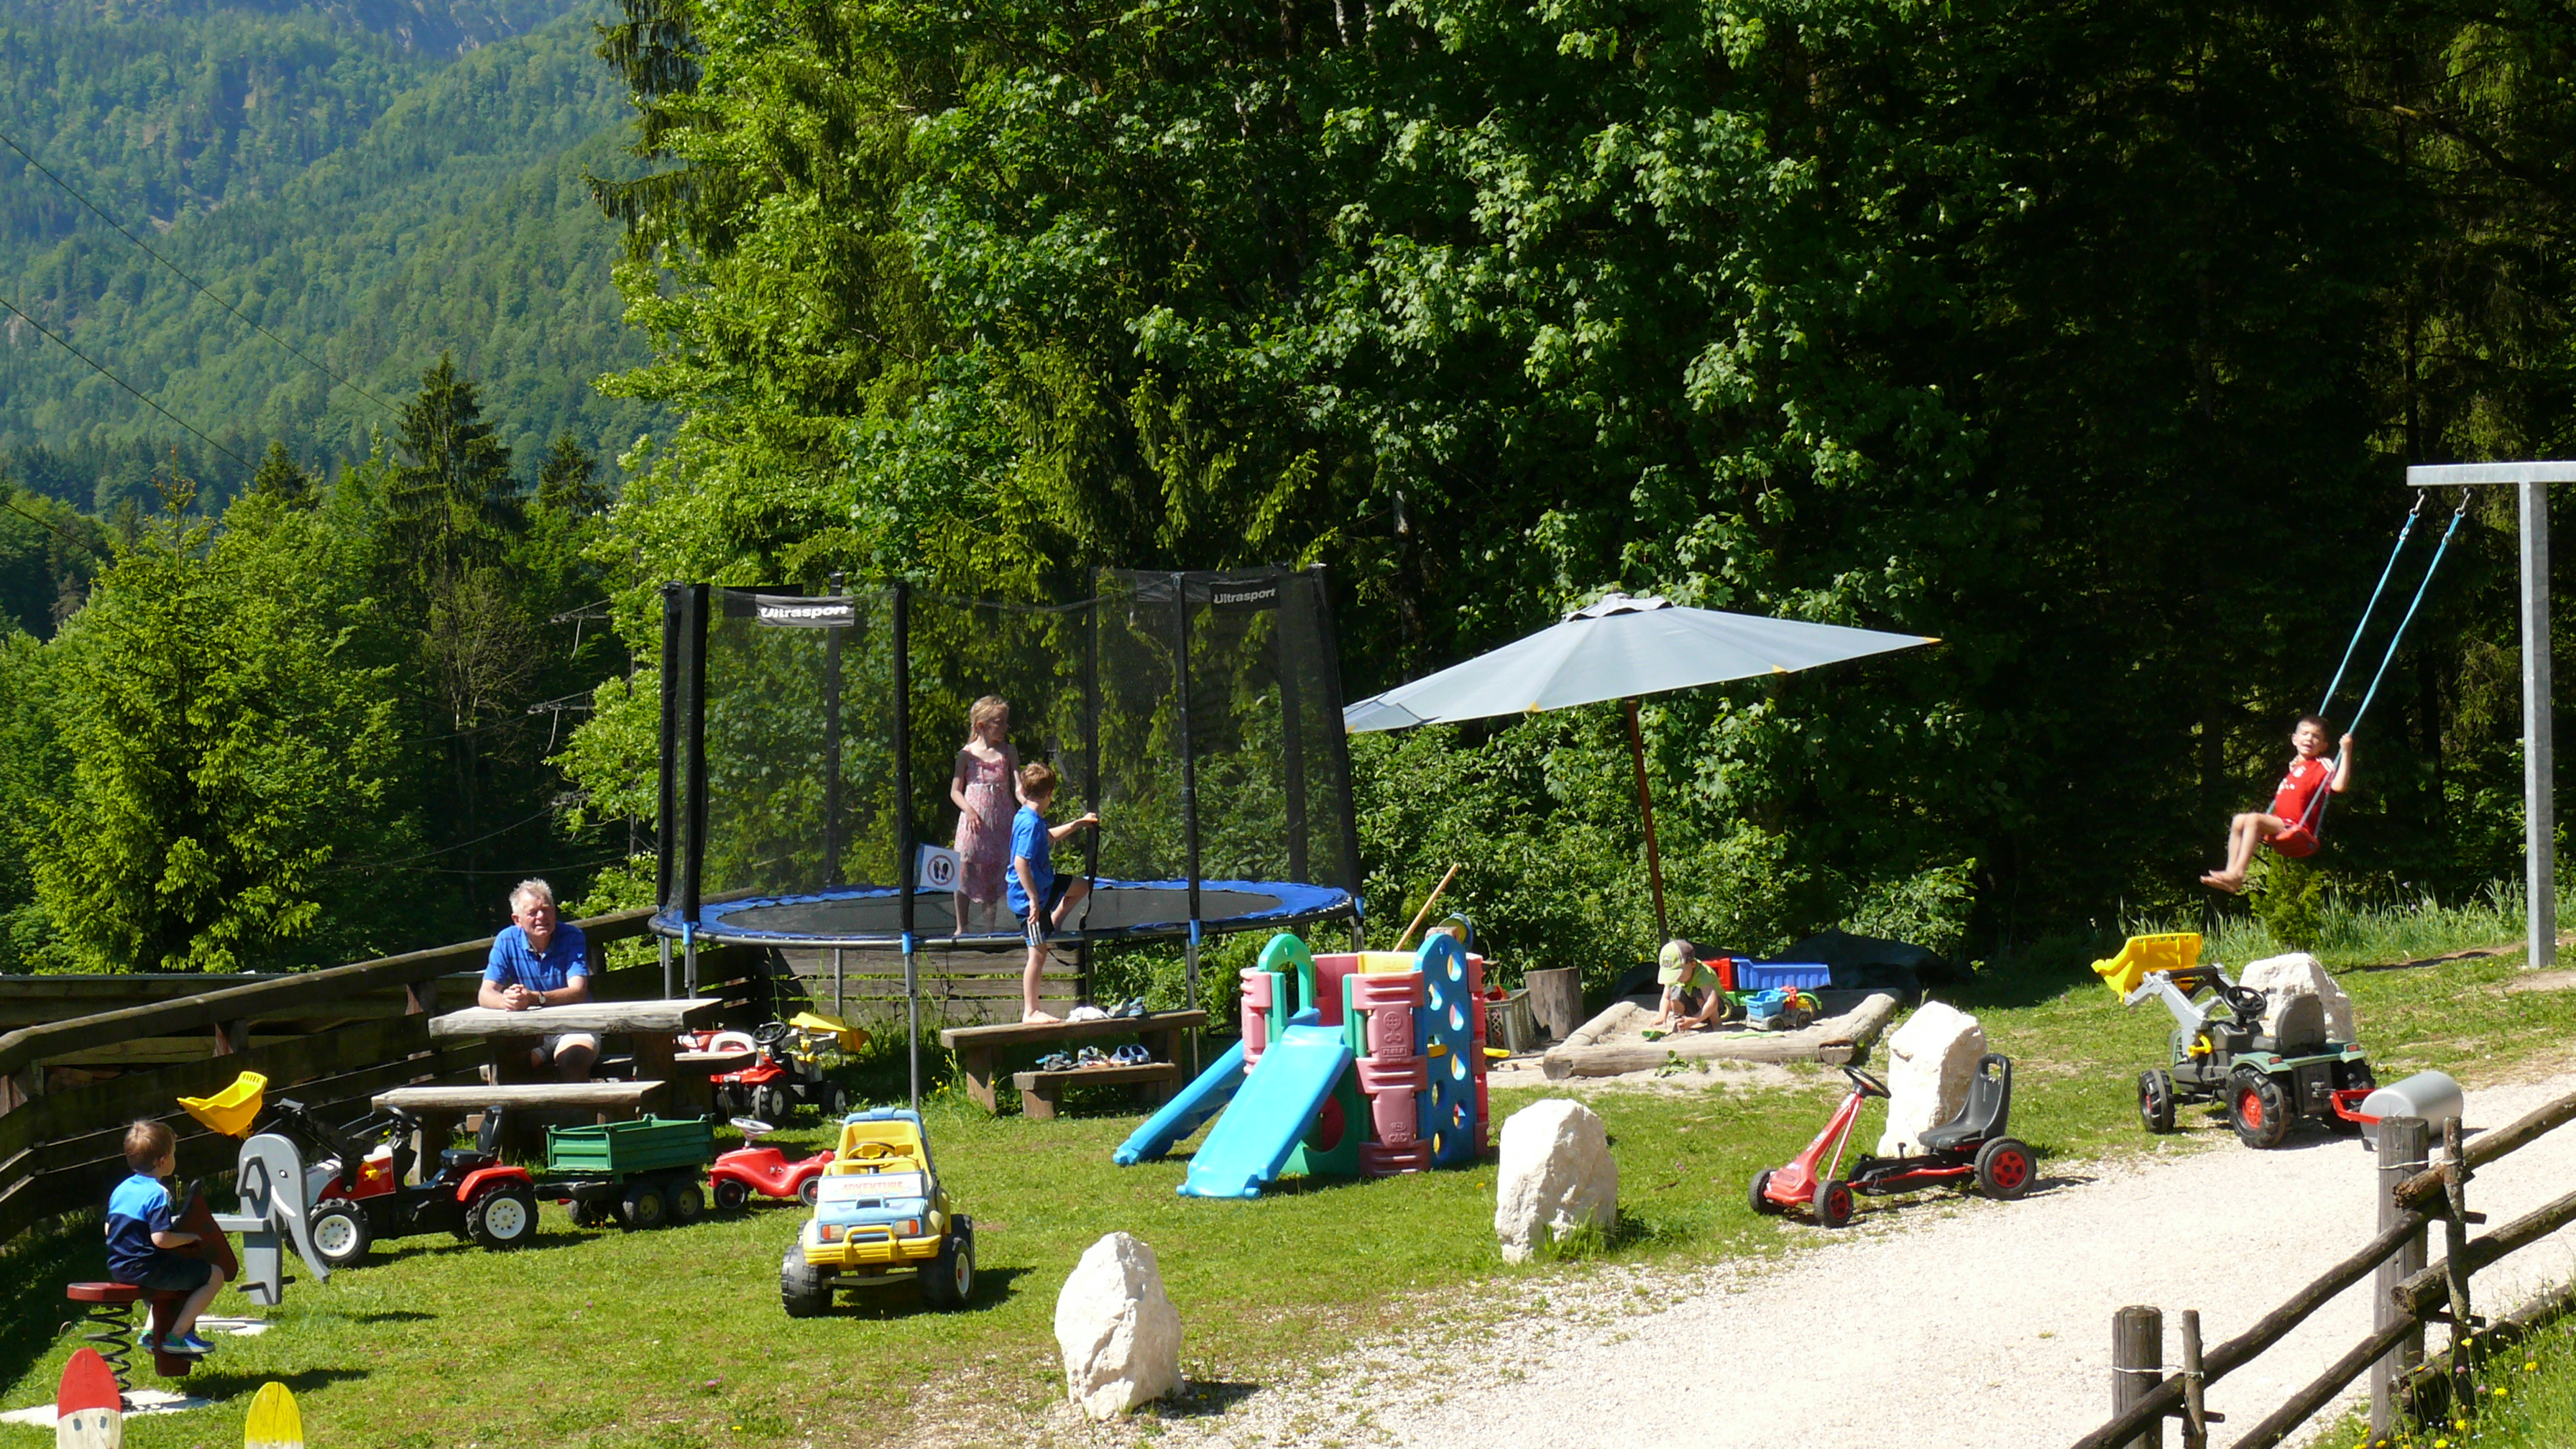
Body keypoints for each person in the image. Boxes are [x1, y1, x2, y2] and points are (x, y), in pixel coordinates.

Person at [106, 1120, 226, 1356]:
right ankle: (178, 1336)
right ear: (162, 1161)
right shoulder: (158, 1193)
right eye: (173, 1154)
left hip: (119, 1266)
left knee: (165, 1280)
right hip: (147, 1269)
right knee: (214, 1275)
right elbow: (161, 1239)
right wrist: (189, 1237)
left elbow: (109, 1229)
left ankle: (151, 1333)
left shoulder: (121, 1189)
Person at [2203, 715, 2355, 894]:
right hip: (2281, 821)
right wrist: (2296, 765)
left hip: (2297, 825)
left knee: (2253, 820)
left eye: (2316, 737)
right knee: (2238, 820)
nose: (2309, 738)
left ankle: (2238, 873)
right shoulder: (2297, 766)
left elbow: (2339, 786)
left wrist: (2346, 752)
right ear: (2295, 739)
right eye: (2305, 733)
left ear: (2324, 746)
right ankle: (2231, 873)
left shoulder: (2322, 765)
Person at [1006, 763, 1100, 1024]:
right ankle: (1031, 1011)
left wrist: (1078, 824)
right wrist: (1034, 901)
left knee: (1081, 887)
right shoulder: (1028, 823)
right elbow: (1020, 863)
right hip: (1028, 901)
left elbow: (1048, 837)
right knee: (1037, 952)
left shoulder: (1031, 818)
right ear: (1050, 793)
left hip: (1045, 885)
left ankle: (1055, 922)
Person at [477, 878, 595, 1079]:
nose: (542, 917)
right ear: (517, 920)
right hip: (532, 1032)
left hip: (574, 1026)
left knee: (573, 1061)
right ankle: (504, 1111)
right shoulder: (506, 940)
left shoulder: (572, 936)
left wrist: (534, 998)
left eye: (546, 909)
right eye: (533, 913)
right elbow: (485, 994)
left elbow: (578, 991)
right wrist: (508, 1001)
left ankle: (577, 1111)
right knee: (507, 1067)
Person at [949, 696, 1025, 936]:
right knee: (965, 866)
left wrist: (1027, 804)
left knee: (994, 871)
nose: (1004, 728)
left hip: (1001, 819)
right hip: (973, 821)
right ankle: (962, 927)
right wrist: (969, 810)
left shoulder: (1008, 752)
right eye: (999, 723)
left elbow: (1017, 786)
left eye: (1005, 723)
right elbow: (955, 791)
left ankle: (989, 929)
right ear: (982, 726)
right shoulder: (967, 755)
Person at [1650, 939, 1731, 1033]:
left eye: (1679, 974)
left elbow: (1712, 1001)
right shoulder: (1675, 978)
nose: (1676, 978)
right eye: (1672, 975)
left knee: (1698, 993)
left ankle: (1716, 1024)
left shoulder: (1702, 974)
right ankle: (1680, 1023)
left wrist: (1694, 1021)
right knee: (1676, 993)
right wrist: (1662, 1016)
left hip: (1717, 1009)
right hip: (1694, 1008)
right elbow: (1666, 998)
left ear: (1692, 964)